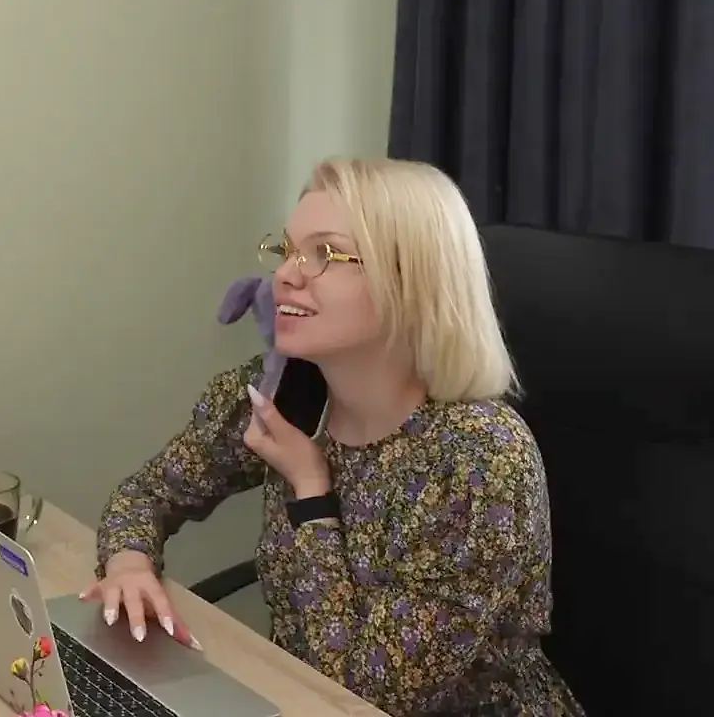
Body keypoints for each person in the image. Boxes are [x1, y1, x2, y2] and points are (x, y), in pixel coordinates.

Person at [84, 158, 583, 716]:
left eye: (323, 254)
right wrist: (128, 563)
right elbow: (146, 494)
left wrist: (311, 492)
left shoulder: (481, 458)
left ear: (410, 281)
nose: (286, 275)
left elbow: (369, 695)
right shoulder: (283, 392)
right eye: (288, 250)